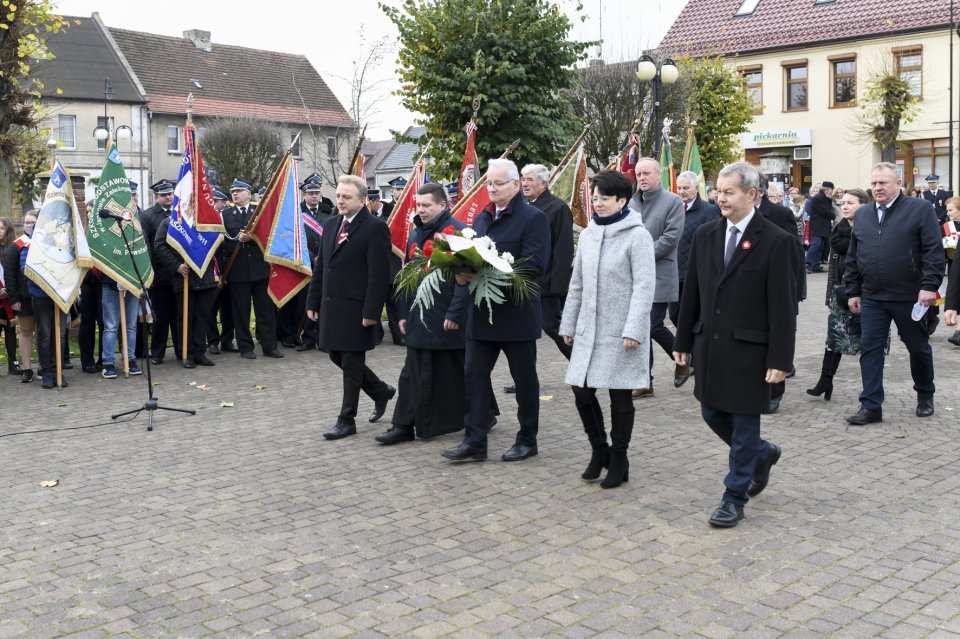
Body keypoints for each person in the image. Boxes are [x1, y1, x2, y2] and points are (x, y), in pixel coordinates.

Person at [674, 162, 796, 528]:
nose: (721, 198)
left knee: (744, 425)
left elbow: (784, 307)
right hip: (709, 345)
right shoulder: (706, 234)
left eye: (729, 192)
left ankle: (734, 497)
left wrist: (781, 359)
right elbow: (691, 292)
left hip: (751, 351)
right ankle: (763, 453)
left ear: (753, 195)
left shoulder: (777, 240)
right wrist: (682, 341)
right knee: (711, 412)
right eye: (718, 191)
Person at [440, 159, 551, 463]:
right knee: (474, 376)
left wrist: (488, 274)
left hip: (516, 315)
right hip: (481, 315)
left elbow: (535, 266)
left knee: (524, 381)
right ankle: (474, 440)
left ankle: (527, 439)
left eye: (498, 183)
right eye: (489, 183)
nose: (491, 188)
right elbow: (470, 256)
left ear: (516, 185)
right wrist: (461, 274)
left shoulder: (534, 218)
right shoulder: (482, 218)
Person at [560, 170, 655, 488]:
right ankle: (599, 449)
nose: (596, 203)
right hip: (589, 330)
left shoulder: (637, 235)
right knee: (581, 390)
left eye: (603, 198)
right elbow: (577, 283)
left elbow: (644, 286)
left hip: (621, 331)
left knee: (620, 395)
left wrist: (634, 329)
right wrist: (569, 322)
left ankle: (619, 458)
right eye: (595, 198)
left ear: (622, 200)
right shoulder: (588, 234)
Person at [375, 182, 477, 444]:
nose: (420, 210)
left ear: (443, 205)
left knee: (456, 372)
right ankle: (404, 424)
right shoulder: (415, 234)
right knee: (412, 371)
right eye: (418, 205)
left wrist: (455, 313)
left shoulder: (459, 233)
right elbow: (409, 275)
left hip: (446, 317)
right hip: (420, 315)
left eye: (426, 205)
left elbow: (467, 278)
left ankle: (480, 415)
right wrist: (401, 313)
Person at [844, 162, 944, 424]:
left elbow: (933, 250)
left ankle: (925, 395)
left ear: (898, 183)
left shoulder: (920, 210)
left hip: (909, 296)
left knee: (918, 348)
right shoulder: (864, 214)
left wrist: (929, 286)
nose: (877, 188)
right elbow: (854, 255)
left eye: (883, 183)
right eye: (874, 183)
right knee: (871, 350)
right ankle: (871, 406)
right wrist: (853, 291)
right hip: (873, 296)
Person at [306, 174, 395, 440]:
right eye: (338, 196)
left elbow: (379, 275)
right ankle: (380, 391)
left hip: (357, 308)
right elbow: (322, 265)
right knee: (336, 355)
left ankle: (346, 420)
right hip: (332, 305)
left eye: (347, 197)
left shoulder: (374, 227)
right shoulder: (332, 224)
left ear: (362, 200)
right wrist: (313, 300)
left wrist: (371, 313)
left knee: (352, 362)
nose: (341, 201)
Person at [503, 163, 574, 394]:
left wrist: (558, 285)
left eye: (530, 179)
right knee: (523, 333)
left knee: (552, 326)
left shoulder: (558, 208)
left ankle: (581, 365)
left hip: (546, 282)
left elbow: (563, 250)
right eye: (523, 178)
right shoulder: (520, 208)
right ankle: (524, 378)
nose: (524, 183)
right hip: (521, 282)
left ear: (543, 183)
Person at [807, 188, 878, 400]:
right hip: (841, 293)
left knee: (869, 342)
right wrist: (830, 295)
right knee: (834, 338)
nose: (845, 206)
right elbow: (834, 268)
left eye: (851, 203)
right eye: (843, 203)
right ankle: (825, 381)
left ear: (864, 205)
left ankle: (871, 389)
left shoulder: (872, 229)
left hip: (867, 294)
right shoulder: (838, 230)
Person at [628, 157, 684, 398]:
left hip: (660, 273)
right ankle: (645, 381)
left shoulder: (673, 201)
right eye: (639, 174)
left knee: (651, 326)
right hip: (635, 277)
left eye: (647, 173)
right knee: (642, 329)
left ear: (658, 174)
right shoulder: (632, 203)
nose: (642, 178)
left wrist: (641, 253)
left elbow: (671, 238)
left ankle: (681, 355)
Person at [221, 178, 283, 360]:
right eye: (233, 191)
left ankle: (269, 346)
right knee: (241, 311)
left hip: (260, 269)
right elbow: (222, 242)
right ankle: (245, 347)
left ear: (249, 194)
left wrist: (253, 238)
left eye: (239, 190)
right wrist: (235, 240)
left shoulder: (260, 212)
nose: (235, 194)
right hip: (237, 270)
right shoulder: (226, 215)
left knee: (266, 311)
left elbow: (269, 237)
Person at [671, 171, 721, 374]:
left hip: (697, 274)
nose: (682, 192)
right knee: (675, 315)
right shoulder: (674, 209)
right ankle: (692, 351)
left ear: (695, 188)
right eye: (679, 188)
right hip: (674, 273)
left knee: (695, 316)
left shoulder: (708, 211)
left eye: (686, 188)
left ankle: (698, 356)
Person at [153, 213, 217, 368]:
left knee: (202, 317)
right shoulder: (169, 222)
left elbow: (216, 240)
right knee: (185, 317)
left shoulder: (205, 218)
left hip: (204, 276)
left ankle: (199, 352)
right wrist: (176, 266)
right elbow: (159, 245)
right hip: (184, 277)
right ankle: (186, 353)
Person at [139, 179, 181, 364]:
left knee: (179, 315)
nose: (168, 198)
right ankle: (157, 353)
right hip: (160, 274)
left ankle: (182, 350)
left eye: (170, 194)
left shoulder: (181, 213)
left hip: (180, 273)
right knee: (161, 316)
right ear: (156, 197)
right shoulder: (148, 216)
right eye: (163, 195)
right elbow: (147, 245)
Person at [289, 175, 331, 352]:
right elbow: (297, 240)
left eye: (316, 193)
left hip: (326, 264)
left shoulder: (329, 213)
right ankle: (308, 338)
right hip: (307, 264)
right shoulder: (297, 214)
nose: (314, 196)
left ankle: (323, 338)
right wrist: (313, 257)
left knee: (324, 301)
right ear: (303, 195)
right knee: (307, 302)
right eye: (310, 193)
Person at [3, 211, 37, 382]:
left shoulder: (47, 243)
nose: (29, 225)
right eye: (26, 222)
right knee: (25, 331)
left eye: (33, 222)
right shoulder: (17, 246)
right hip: (24, 298)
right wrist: (14, 299)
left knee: (43, 332)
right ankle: (27, 368)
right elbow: (9, 274)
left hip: (43, 298)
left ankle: (46, 367)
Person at [0, 217, 20, 374]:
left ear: (9, 230)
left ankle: (13, 363)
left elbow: (17, 272)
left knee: (11, 330)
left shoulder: (15, 248)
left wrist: (11, 291)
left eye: (1, 228)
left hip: (10, 295)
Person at [805, 180, 835, 273]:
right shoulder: (819, 197)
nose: (832, 191)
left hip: (822, 226)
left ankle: (815, 266)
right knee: (816, 244)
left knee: (820, 245)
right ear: (828, 189)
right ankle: (807, 264)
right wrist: (833, 216)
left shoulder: (825, 197)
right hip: (818, 226)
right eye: (831, 189)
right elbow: (825, 211)